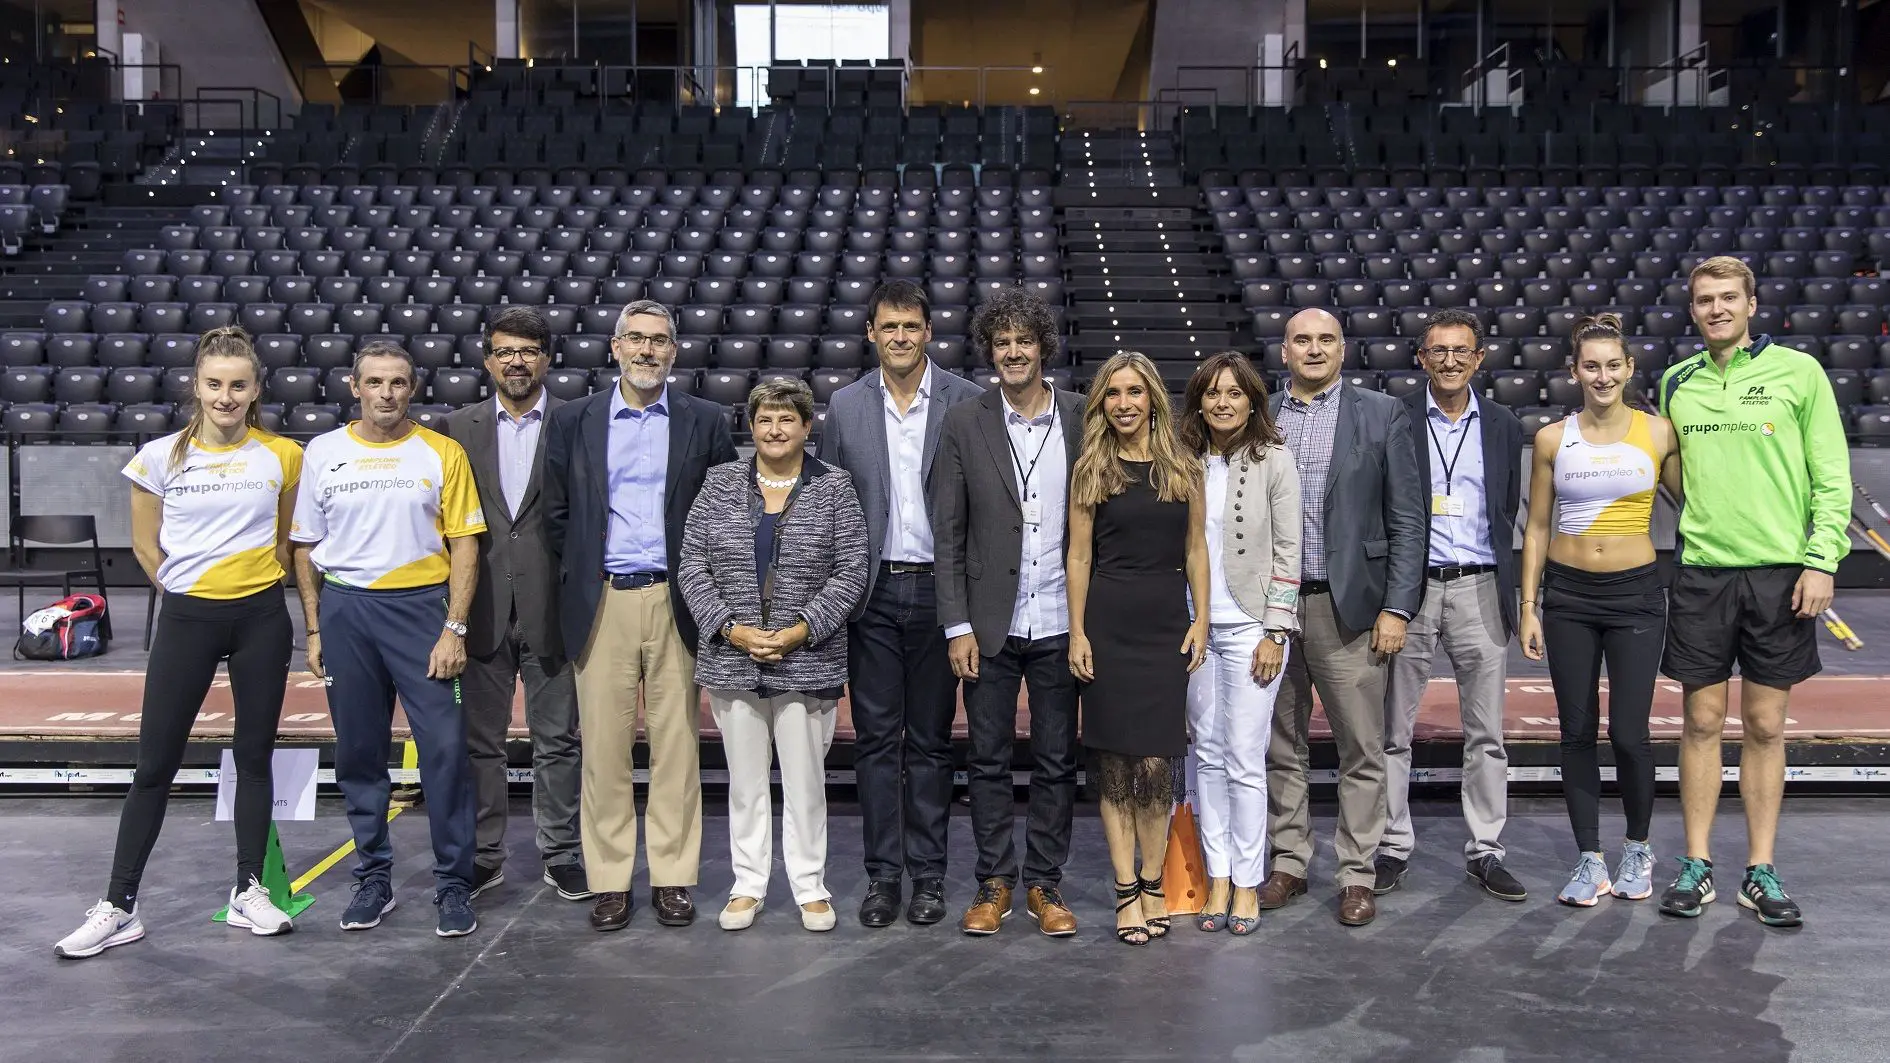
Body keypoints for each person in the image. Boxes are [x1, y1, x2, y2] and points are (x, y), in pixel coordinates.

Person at [55, 327, 302, 958]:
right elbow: (146, 547)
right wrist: (193, 591)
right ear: (196, 385)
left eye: (238, 385)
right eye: (214, 384)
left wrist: (249, 586)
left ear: (256, 389)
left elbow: (286, 542)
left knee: (254, 757)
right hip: (188, 617)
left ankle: (248, 889)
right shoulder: (158, 457)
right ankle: (119, 905)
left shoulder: (284, 456)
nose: (226, 397)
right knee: (155, 765)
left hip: (261, 617)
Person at [1656, 256, 1850, 927]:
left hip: (1780, 575)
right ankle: (1697, 863)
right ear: (1693, 309)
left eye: (1728, 298)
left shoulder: (1800, 372)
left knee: (1766, 725)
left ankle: (1760, 869)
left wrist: (1821, 560)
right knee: (1701, 722)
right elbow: (1673, 471)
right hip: (1703, 573)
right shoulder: (1677, 381)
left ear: (1752, 304)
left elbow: (1831, 475)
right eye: (1704, 300)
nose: (1717, 309)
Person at [543, 299, 737, 932]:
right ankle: (609, 880)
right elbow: (557, 514)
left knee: (677, 748)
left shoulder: (703, 419)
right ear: (615, 348)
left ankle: (673, 877)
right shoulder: (573, 419)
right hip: (603, 599)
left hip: (678, 596)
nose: (647, 350)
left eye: (658, 340)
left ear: (673, 352)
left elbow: (721, 512)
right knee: (603, 751)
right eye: (636, 339)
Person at [290, 341, 485, 938]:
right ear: (355, 387)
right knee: (358, 752)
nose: (386, 393)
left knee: (445, 752)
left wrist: (455, 627)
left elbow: (465, 544)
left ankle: (454, 883)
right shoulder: (323, 452)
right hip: (347, 611)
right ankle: (373, 877)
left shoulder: (442, 452)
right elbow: (305, 546)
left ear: (412, 388)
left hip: (422, 612)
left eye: (398, 382)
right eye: (374, 382)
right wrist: (316, 627)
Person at [816, 279, 985, 928]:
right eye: (889, 326)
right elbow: (830, 503)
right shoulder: (846, 405)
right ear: (871, 333)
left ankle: (930, 876)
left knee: (933, 743)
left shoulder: (967, 400)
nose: (900, 337)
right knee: (878, 743)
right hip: (874, 593)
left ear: (929, 332)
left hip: (944, 594)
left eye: (912, 326)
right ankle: (884, 877)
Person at [679, 379, 871, 933]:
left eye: (787, 419)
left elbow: (852, 568)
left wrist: (801, 631)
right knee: (745, 784)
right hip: (733, 659)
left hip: (807, 661)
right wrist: (730, 628)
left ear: (808, 427)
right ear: (751, 426)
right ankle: (748, 885)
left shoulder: (834, 487)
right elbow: (692, 564)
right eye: (765, 419)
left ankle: (810, 887)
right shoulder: (719, 483)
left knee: (806, 783)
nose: (775, 429)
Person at [1261, 307, 1426, 928]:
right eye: (1302, 340)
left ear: (1342, 349)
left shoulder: (1382, 414)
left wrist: (1397, 606)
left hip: (1350, 607)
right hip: (1273, 609)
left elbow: (1408, 519)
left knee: (1361, 748)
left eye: (1325, 339)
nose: (1314, 349)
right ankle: (1289, 862)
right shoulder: (1260, 414)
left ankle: (1357, 872)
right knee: (1282, 745)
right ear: (1284, 351)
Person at [932, 285, 1085, 938]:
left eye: (1024, 341)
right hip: (988, 622)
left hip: (1061, 620)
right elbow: (948, 530)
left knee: (1056, 760)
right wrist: (956, 624)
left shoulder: (1081, 415)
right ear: (989, 351)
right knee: (987, 759)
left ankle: (1045, 882)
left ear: (1042, 346)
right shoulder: (965, 420)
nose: (1014, 352)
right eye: (1003, 343)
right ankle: (994, 881)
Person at [1519, 313, 1681, 907]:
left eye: (1613, 365)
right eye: (1592, 365)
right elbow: (1537, 528)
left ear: (1629, 369)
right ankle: (1589, 857)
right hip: (1568, 597)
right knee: (1577, 732)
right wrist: (1529, 605)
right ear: (1574, 372)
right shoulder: (1552, 439)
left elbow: (1697, 507)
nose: (1603, 375)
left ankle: (1638, 846)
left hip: (1636, 595)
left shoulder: (1659, 434)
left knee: (1631, 734)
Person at [1376, 309, 1528, 903]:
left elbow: (1505, 506)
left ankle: (1486, 850)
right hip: (1410, 589)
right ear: (1421, 358)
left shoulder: (1503, 423)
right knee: (1393, 730)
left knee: (1486, 733)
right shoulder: (1397, 417)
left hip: (1480, 585)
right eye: (1438, 351)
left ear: (1479, 358)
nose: (1449, 361)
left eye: (1461, 351)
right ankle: (1392, 845)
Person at [441, 305, 587, 904]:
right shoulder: (457, 427)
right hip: (481, 608)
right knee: (481, 744)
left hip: (555, 607)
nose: (517, 362)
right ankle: (484, 854)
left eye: (528, 351)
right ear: (487, 360)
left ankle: (562, 852)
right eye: (505, 351)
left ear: (547, 359)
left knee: (559, 741)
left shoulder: (577, 421)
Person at [1066, 352, 1209, 946]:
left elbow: (1196, 549)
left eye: (1134, 392)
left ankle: (1154, 882)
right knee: (1115, 768)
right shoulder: (1091, 468)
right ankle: (1126, 889)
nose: (1124, 403)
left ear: (1152, 398)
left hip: (1164, 627)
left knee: (1155, 765)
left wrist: (1201, 620)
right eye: (1113, 393)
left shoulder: (1184, 466)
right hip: (1108, 625)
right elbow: (1079, 556)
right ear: (1102, 403)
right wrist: (1077, 632)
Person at [1176, 352, 1300, 936]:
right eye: (1212, 393)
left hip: (1254, 627)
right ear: (1198, 402)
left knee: (1245, 759)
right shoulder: (1182, 459)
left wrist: (1276, 630)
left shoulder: (1275, 459)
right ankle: (1218, 877)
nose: (1222, 402)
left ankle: (1248, 882)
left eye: (1233, 392)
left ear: (1252, 401)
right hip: (1194, 626)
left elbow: (1289, 550)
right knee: (1206, 755)